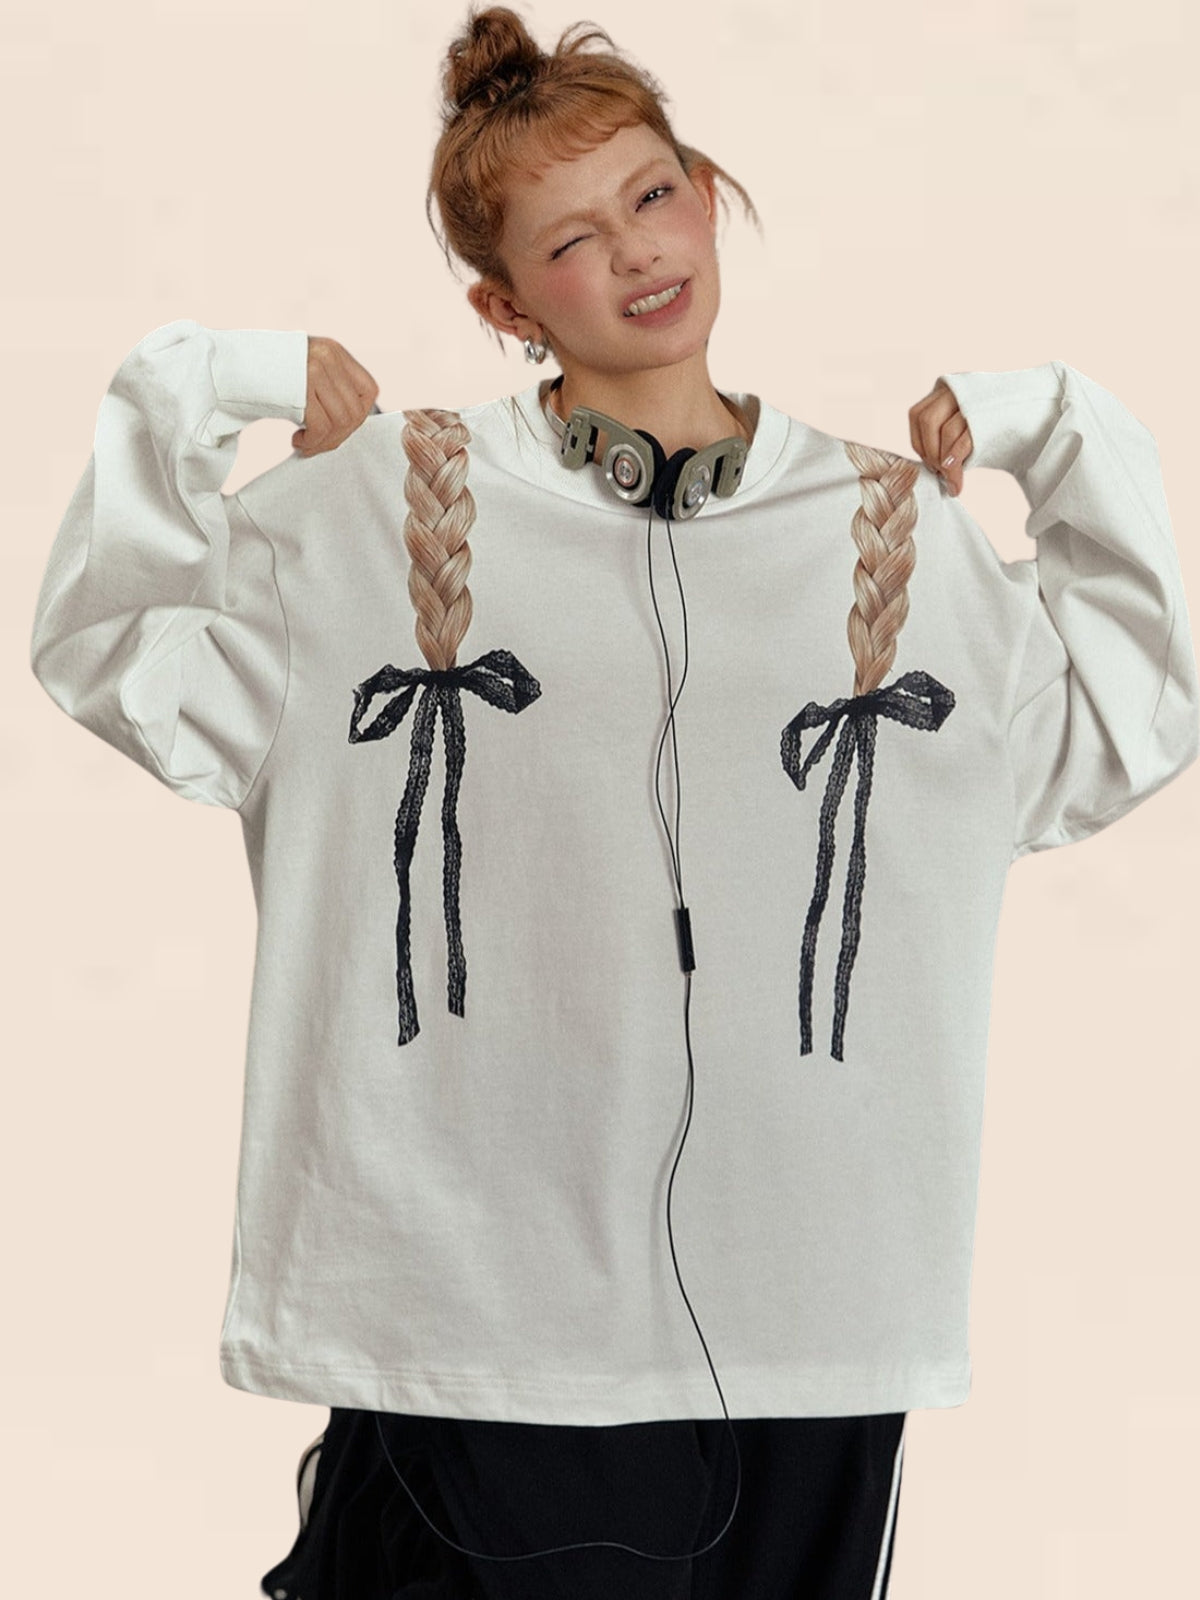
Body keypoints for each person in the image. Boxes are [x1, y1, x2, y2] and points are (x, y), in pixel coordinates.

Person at [27, 5, 1200, 1600]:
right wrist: (205, 384)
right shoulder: (378, 507)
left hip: (816, 1317)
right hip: (479, 1323)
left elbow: (1128, 720)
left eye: (653, 194)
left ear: (708, 193)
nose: (638, 250)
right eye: (571, 239)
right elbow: (113, 646)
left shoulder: (899, 534)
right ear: (504, 305)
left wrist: (1058, 432)